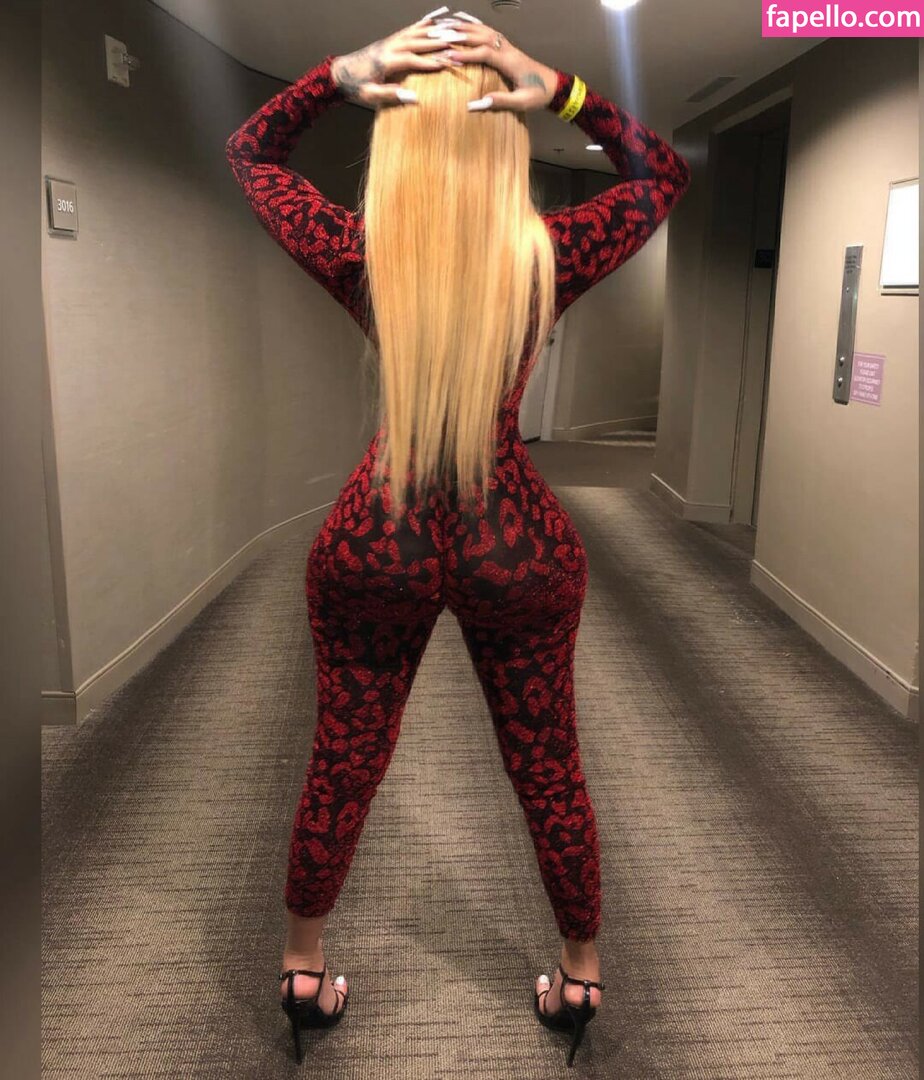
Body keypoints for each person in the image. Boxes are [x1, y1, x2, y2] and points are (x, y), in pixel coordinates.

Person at [225, 5, 691, 1067]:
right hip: (512, 539)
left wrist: (343, 73)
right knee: (549, 764)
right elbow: (661, 175)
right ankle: (581, 974)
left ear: (394, 147)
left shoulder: (361, 253)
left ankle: (303, 968)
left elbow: (250, 152)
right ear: (504, 146)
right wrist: (560, 89)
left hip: (376, 536)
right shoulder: (548, 255)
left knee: (343, 755)